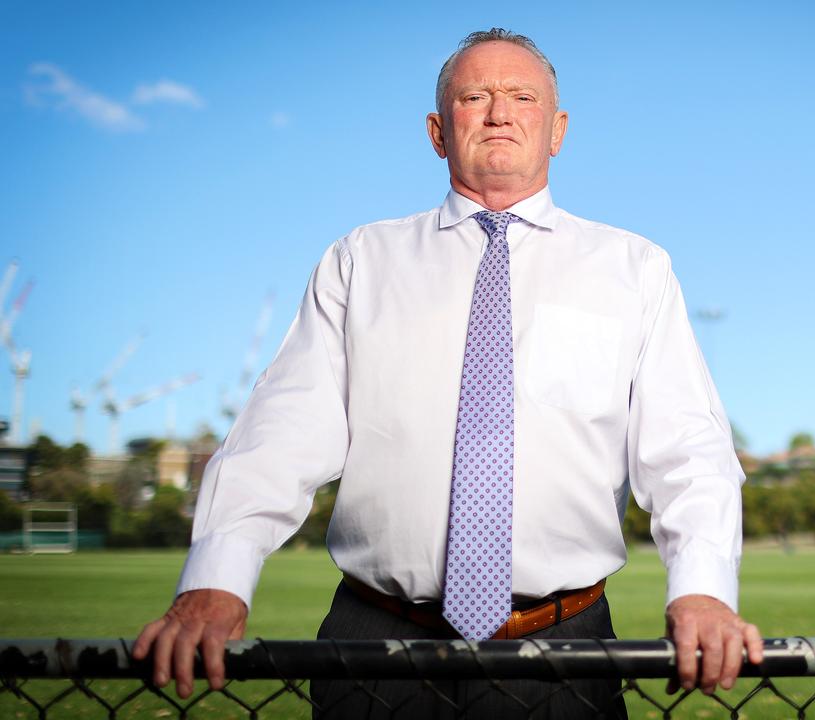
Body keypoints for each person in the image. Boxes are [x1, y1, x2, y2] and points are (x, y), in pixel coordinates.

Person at [133, 28, 764, 717]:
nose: (498, 113)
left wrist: (702, 589)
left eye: (522, 97)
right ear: (438, 131)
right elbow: (280, 434)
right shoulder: (360, 262)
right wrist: (216, 580)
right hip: (373, 648)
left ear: (557, 130)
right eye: (474, 97)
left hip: (565, 653)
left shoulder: (634, 269)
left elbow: (687, 449)